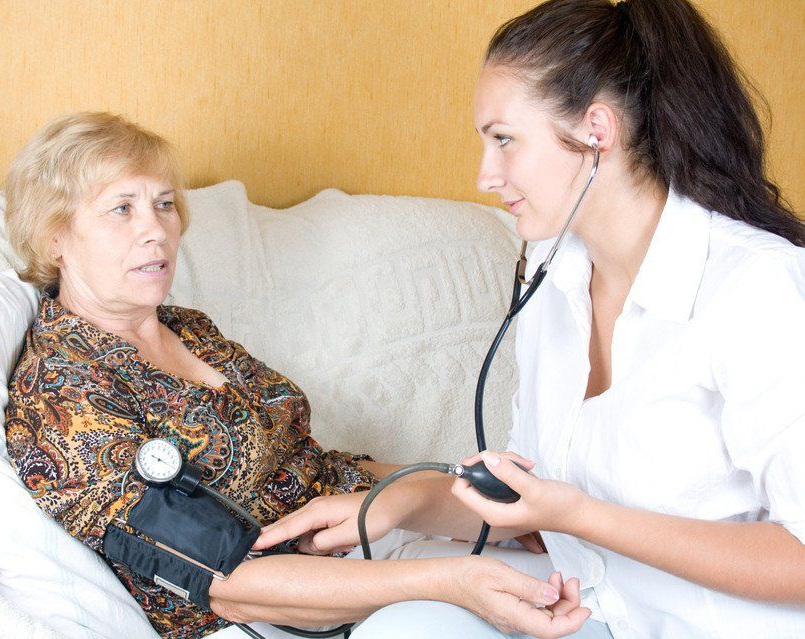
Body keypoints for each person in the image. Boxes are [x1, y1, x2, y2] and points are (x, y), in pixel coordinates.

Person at [254, 0, 805, 637]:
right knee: (406, 628)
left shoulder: (758, 289)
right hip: (591, 619)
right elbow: (533, 505)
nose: (485, 175)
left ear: (597, 130)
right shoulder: (552, 272)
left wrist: (580, 516)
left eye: (505, 139)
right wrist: (390, 506)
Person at [3, 111, 589, 639]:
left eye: (163, 203)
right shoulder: (64, 390)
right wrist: (446, 580)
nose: (156, 229)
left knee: (596, 584)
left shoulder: (190, 329)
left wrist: (499, 516)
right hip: (279, 616)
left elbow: (320, 468)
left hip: (376, 552)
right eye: (121, 208)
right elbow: (227, 583)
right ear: (55, 236)